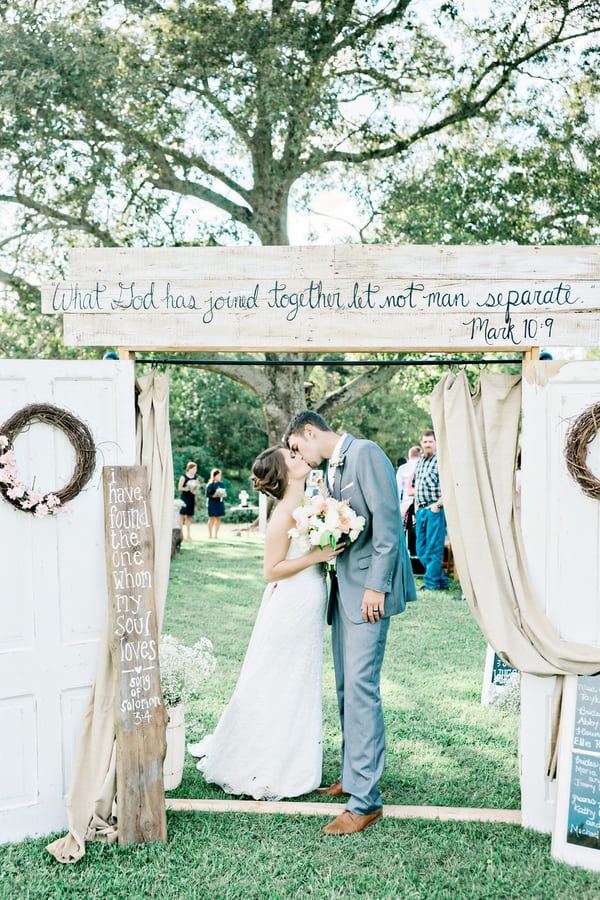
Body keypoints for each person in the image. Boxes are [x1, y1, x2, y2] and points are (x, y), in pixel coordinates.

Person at [284, 411, 416, 837]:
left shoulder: (366, 455)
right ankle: (353, 777)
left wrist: (376, 587)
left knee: (361, 688)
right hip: (343, 594)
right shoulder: (335, 470)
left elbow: (389, 526)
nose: (296, 455)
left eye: (296, 447)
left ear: (309, 432)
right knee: (345, 687)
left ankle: (365, 803)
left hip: (366, 596)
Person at [188, 445, 342, 799]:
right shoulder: (285, 513)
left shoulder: (311, 503)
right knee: (280, 677)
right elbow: (270, 570)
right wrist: (316, 555)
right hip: (291, 602)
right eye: (291, 457)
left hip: (309, 598)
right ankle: (267, 762)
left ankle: (294, 756)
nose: (298, 456)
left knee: (300, 678)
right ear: (284, 473)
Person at [413, 429, 449, 591]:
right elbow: (417, 486)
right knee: (421, 549)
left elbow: (449, 487)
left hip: (434, 509)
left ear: (435, 443)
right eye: (425, 441)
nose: (427, 444)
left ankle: (431, 584)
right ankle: (441, 580)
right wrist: (415, 508)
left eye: (430, 441)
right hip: (420, 511)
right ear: (421, 443)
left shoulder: (441, 461)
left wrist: (438, 505)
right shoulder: (420, 461)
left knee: (433, 549)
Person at [396, 445, 421, 517]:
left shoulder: (402, 468)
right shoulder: (422, 465)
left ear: (409, 456)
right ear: (420, 454)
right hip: (422, 504)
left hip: (406, 503)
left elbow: (398, 489)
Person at [177, 461, 198, 542]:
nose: (195, 470)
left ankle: (188, 535)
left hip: (192, 497)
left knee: (189, 516)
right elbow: (179, 488)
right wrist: (188, 488)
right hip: (185, 497)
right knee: (182, 516)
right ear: (189, 468)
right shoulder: (183, 477)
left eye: (196, 469)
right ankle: (180, 534)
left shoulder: (195, 477)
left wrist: (194, 490)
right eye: (194, 468)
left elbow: (196, 487)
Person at [206, 468, 226, 539]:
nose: (219, 477)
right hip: (212, 503)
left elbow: (224, 492)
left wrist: (223, 494)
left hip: (219, 503)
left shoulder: (221, 484)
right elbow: (207, 495)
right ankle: (210, 534)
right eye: (218, 475)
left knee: (218, 518)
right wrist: (214, 495)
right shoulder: (210, 484)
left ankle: (216, 534)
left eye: (220, 475)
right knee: (211, 518)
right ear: (214, 476)